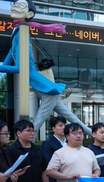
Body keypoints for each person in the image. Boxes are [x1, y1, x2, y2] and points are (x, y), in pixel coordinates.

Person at [0, 0, 93, 141]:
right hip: (44, 88)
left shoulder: (22, 32)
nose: (15, 7)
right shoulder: (17, 31)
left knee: (35, 127)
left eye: (21, 6)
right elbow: (9, 60)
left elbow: (20, 68)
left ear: (30, 13)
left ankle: (26, 150)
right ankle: (100, 137)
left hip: (46, 90)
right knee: (74, 120)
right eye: (15, 4)